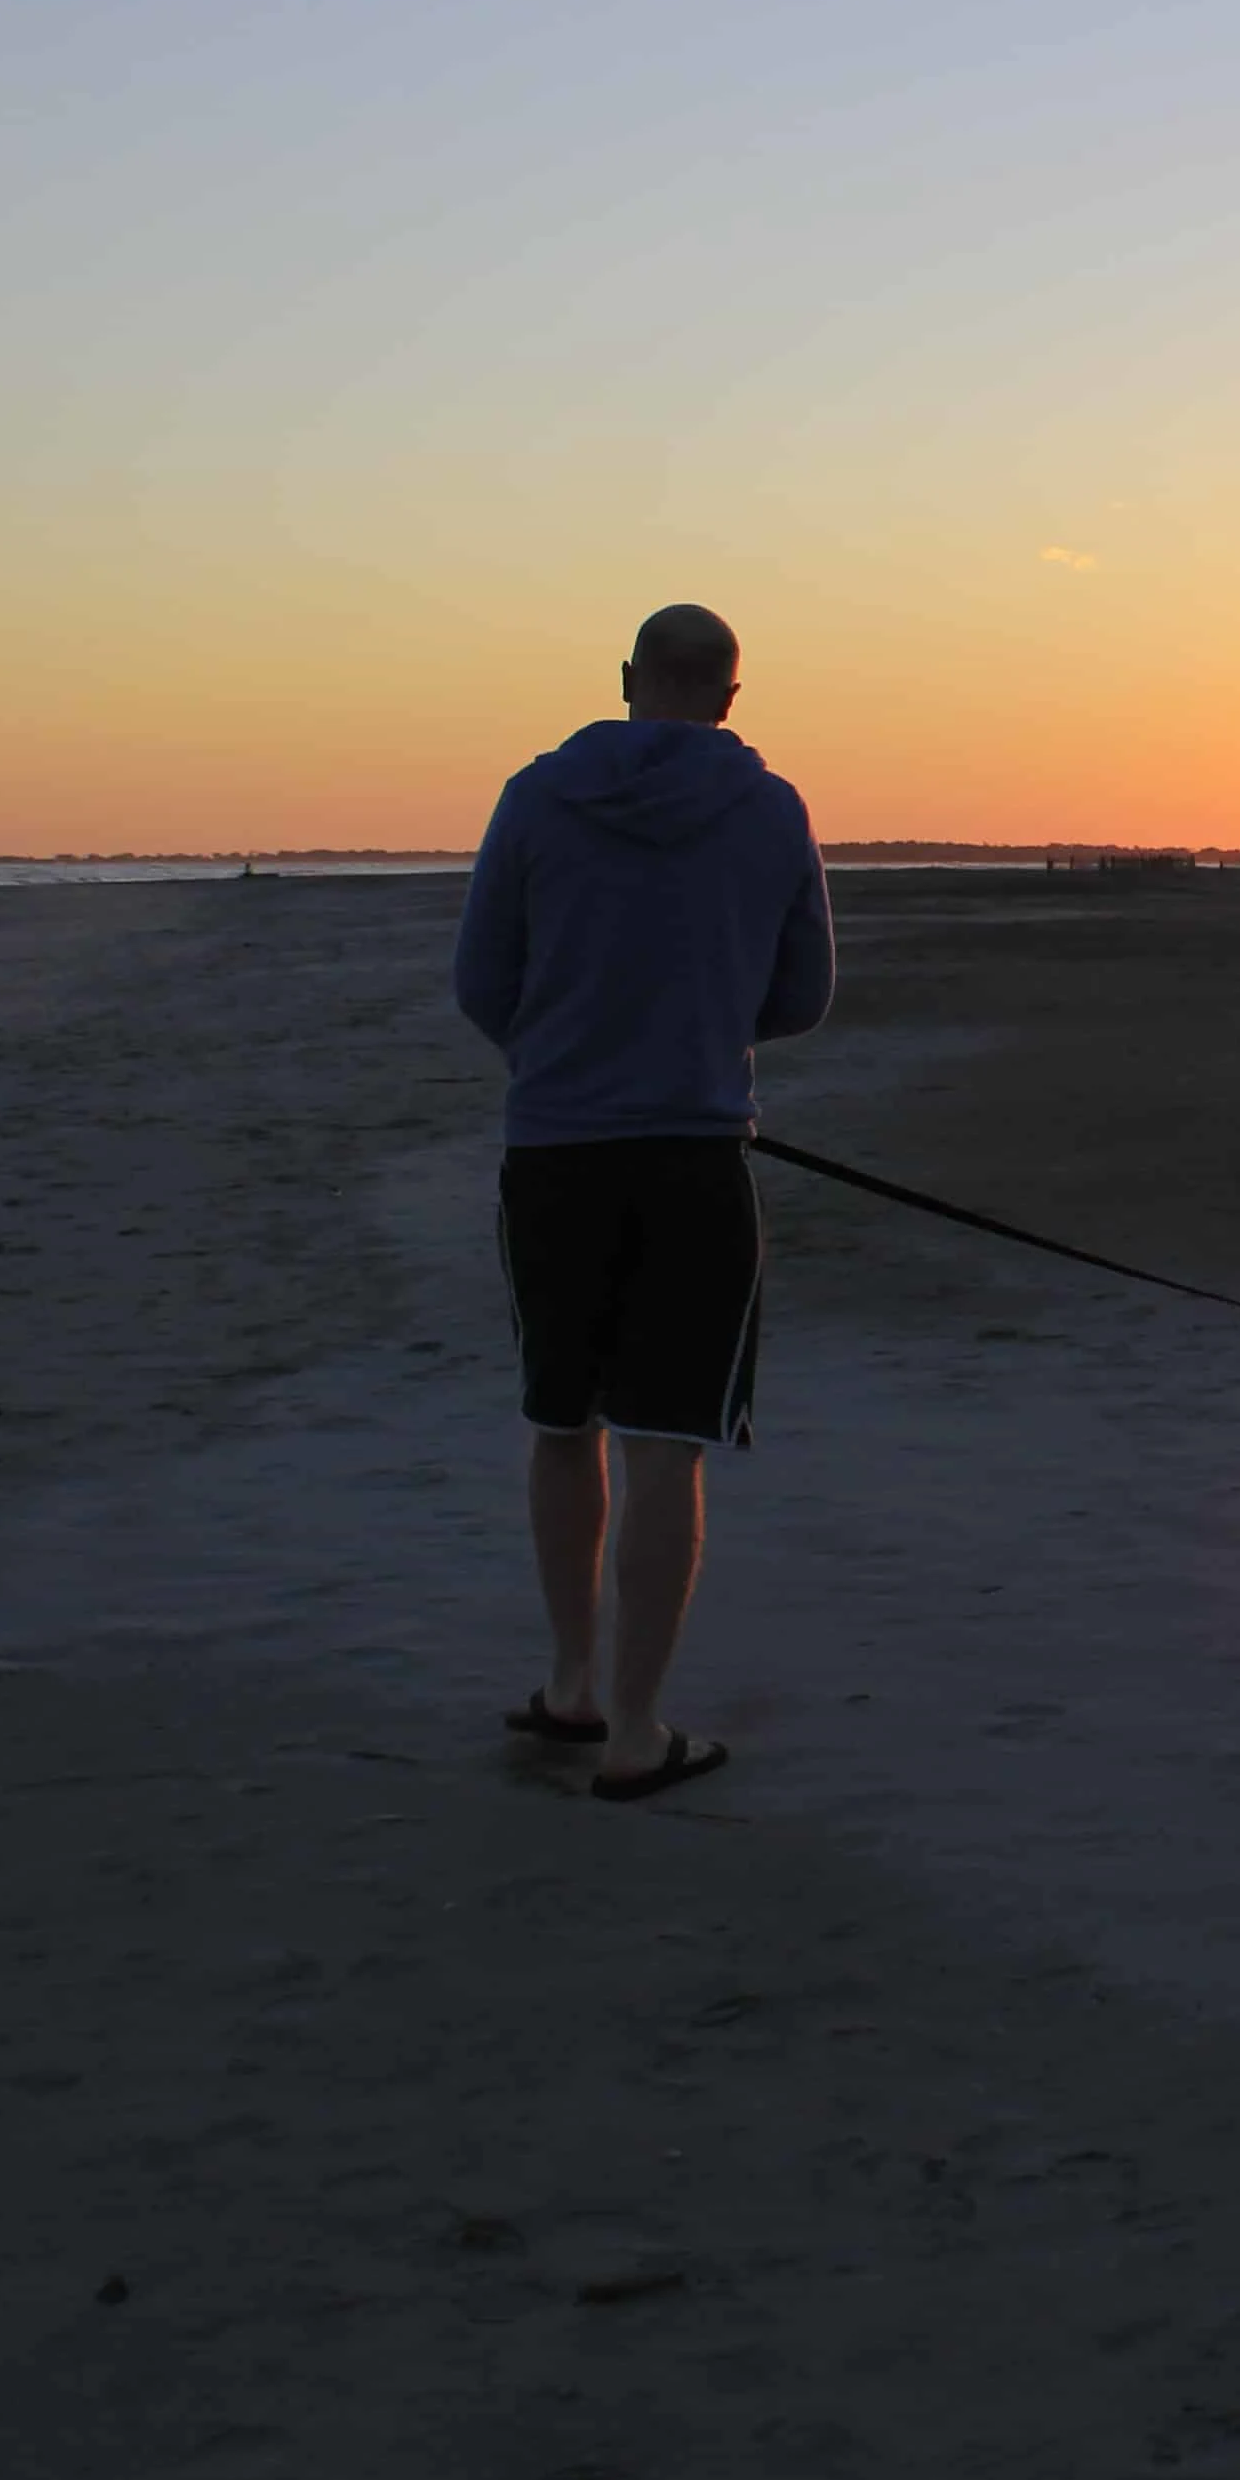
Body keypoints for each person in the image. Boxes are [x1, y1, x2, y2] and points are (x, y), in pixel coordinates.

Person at [453, 605, 834, 1800]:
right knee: (667, 1441)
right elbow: (804, 991)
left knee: (564, 1420)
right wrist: (695, 1037)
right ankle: (632, 1721)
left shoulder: (534, 795)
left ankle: (578, 1682)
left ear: (628, 681)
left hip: (557, 1150)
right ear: (729, 697)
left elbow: (482, 981)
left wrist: (569, 1049)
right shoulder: (768, 809)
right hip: (691, 1157)